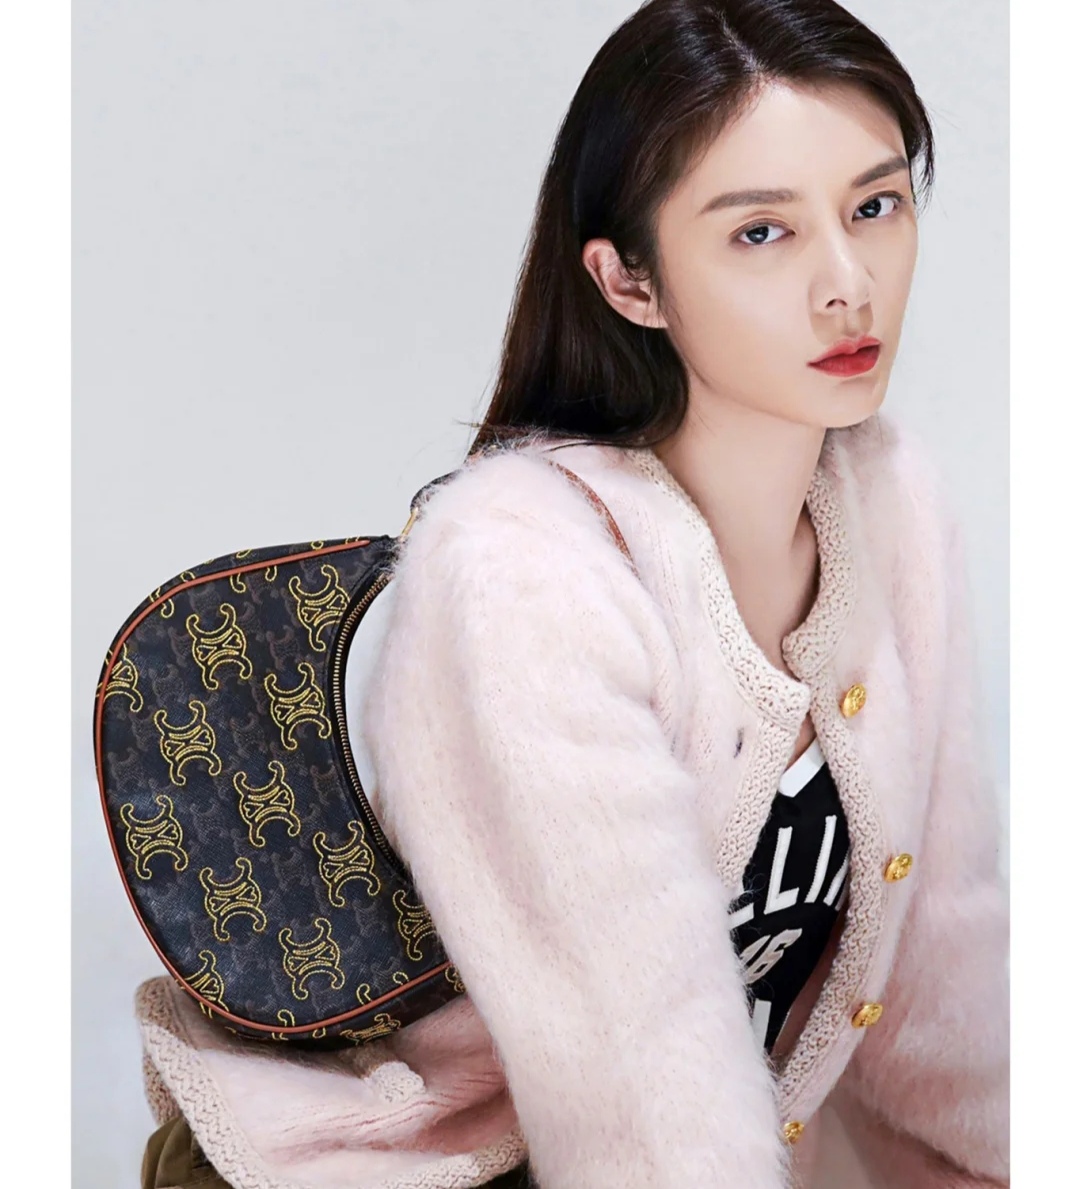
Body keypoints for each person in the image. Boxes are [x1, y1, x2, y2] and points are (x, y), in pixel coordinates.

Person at [137, 2, 1009, 1186]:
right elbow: (640, 1081)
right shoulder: (522, 571)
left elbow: (945, 981)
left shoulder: (894, 501)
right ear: (630, 281)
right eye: (761, 233)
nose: (847, 284)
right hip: (434, 1161)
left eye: (875, 206)